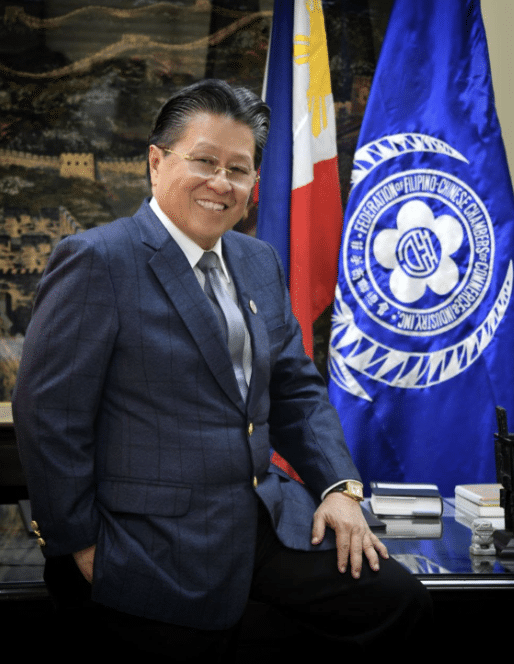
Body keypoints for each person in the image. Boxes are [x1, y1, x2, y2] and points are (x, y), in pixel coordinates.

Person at [12, 79, 432, 659]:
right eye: (204, 161)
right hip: (149, 539)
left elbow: (295, 390)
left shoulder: (259, 261)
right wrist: (78, 547)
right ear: (156, 162)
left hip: (265, 519)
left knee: (400, 603)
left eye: (238, 169)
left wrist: (339, 487)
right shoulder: (98, 260)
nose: (221, 182)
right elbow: (48, 416)